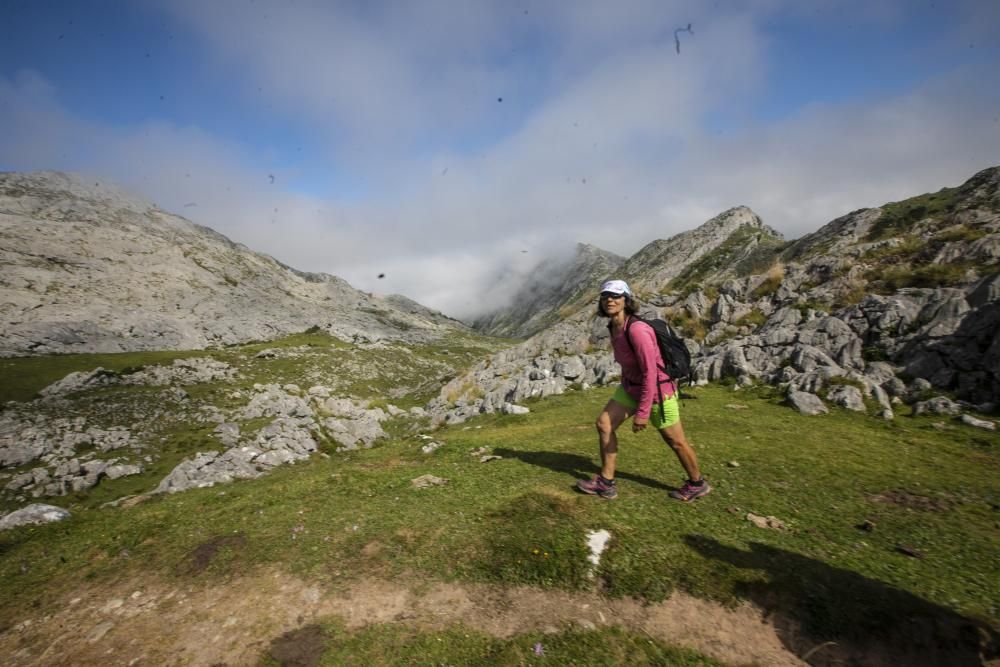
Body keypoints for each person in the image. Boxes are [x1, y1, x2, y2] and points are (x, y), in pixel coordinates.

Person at [576, 279, 711, 501]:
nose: (610, 300)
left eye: (616, 296)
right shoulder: (614, 326)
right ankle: (606, 482)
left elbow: (651, 373)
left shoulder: (637, 330)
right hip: (631, 388)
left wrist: (642, 413)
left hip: (658, 392)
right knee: (604, 423)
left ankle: (697, 483)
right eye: (605, 296)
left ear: (626, 301)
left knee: (675, 441)